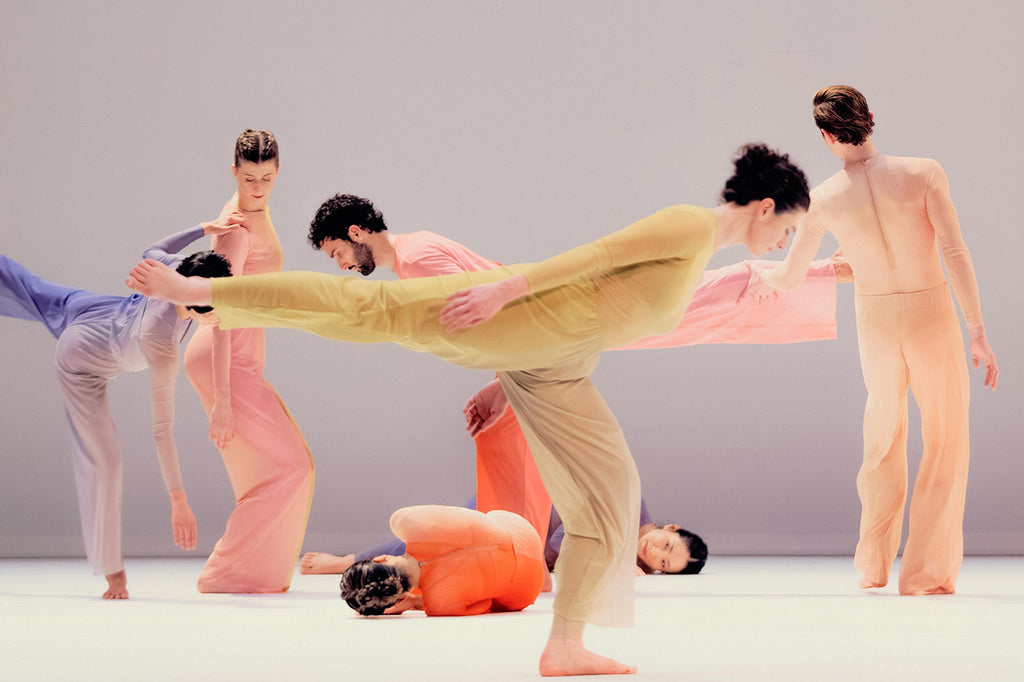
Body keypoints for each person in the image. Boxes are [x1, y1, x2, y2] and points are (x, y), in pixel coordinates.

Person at [126, 142, 810, 676]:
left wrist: (812, 275)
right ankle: (205, 293)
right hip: (524, 314)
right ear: (767, 204)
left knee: (613, 492)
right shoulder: (690, 224)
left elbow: (674, 307)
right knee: (373, 308)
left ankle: (565, 646)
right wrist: (501, 292)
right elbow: (592, 256)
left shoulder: (700, 256)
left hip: (561, 360)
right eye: (790, 229)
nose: (786, 241)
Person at [299, 193, 843, 576]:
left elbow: (491, 319)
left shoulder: (416, 261)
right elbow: (492, 322)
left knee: (680, 308)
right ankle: (813, 276)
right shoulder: (416, 251)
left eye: (336, 253)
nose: (342, 265)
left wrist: (502, 382)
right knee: (678, 314)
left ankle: (811, 274)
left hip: (551, 319)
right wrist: (501, 386)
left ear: (354, 233)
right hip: (545, 330)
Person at [742, 86, 999, 596]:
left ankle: (874, 565)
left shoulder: (825, 198)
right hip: (930, 314)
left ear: (825, 135)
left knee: (882, 441)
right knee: (945, 443)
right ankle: (925, 575)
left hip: (878, 323)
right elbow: (954, 250)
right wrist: (978, 331)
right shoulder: (924, 172)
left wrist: (756, 272)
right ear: (870, 119)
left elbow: (791, 279)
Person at [0, 217, 240, 598]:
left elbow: (152, 251)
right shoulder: (160, 345)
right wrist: (179, 499)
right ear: (189, 306)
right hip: (82, 359)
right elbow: (162, 430)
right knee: (105, 461)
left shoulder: (182, 271)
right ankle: (115, 574)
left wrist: (205, 227)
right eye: (210, 311)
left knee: (26, 285)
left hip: (99, 309)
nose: (217, 316)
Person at [184, 129, 315, 593]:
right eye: (248, 178)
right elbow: (218, 311)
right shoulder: (236, 228)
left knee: (275, 469)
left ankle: (249, 574)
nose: (258, 187)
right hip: (225, 357)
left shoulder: (257, 211)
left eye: (266, 177)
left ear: (278, 172)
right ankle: (226, 573)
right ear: (234, 173)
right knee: (293, 467)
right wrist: (221, 400)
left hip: (241, 355)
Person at [300, 496, 708, 577]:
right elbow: (558, 542)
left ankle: (363, 565)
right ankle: (347, 561)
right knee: (435, 536)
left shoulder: (629, 563)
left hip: (516, 545)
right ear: (669, 528)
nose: (655, 551)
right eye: (667, 545)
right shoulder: (628, 501)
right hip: (516, 504)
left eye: (663, 562)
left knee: (443, 557)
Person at [339, 505, 546, 617]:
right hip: (521, 528)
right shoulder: (403, 520)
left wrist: (416, 601)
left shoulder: (439, 606)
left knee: (493, 591)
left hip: (527, 586)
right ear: (380, 558)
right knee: (485, 518)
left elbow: (486, 603)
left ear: (394, 601)